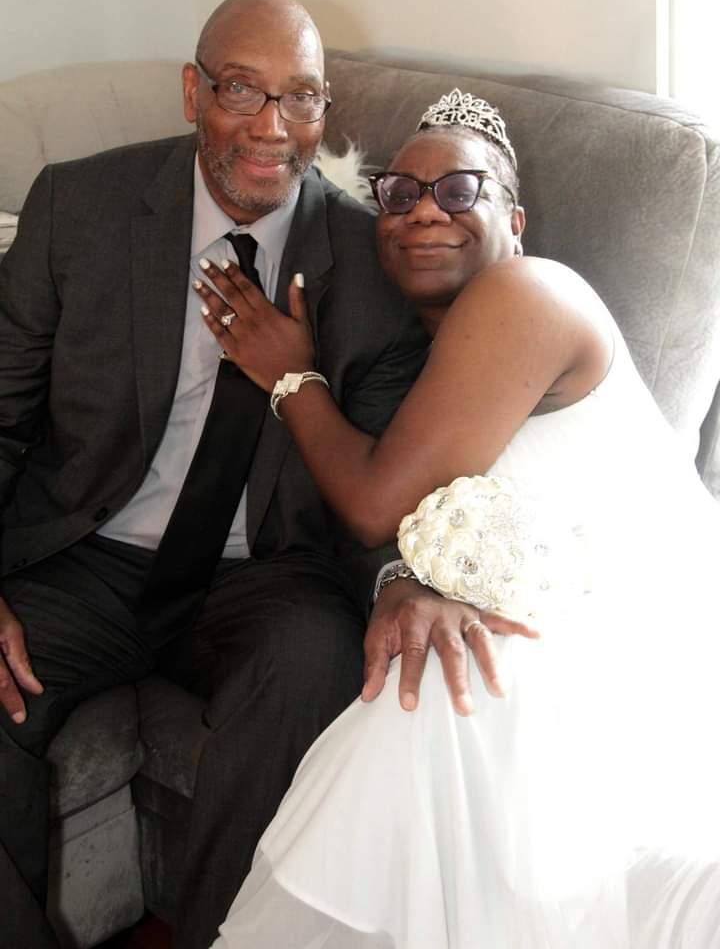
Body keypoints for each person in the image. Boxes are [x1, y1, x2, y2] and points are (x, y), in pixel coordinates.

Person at [194, 89, 720, 948]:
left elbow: (372, 505)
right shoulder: (417, 355)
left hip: (640, 639)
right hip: (565, 626)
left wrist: (292, 378)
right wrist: (410, 581)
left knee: (424, 702)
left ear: (515, 219)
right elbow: (413, 516)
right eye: (398, 193)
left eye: (459, 191)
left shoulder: (528, 291)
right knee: (429, 679)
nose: (422, 213)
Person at [0, 0, 450, 949]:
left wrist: (402, 580)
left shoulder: (369, 267)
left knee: (315, 659)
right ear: (191, 91)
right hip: (90, 553)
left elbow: (380, 479)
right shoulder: (75, 207)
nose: (273, 128)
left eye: (304, 98)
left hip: (264, 573)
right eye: (243, 90)